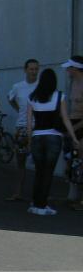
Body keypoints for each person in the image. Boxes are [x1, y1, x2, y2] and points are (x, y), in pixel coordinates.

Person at [26, 68, 80, 215]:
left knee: (39, 171)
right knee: (48, 172)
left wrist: (29, 140)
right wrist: (74, 137)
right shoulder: (59, 96)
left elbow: (29, 122)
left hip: (37, 136)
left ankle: (35, 203)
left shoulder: (32, 97)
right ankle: (42, 205)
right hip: (54, 137)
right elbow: (65, 119)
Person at [6, 58, 40, 201]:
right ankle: (18, 192)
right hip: (22, 128)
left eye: (36, 69)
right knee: (20, 162)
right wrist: (19, 109)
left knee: (39, 162)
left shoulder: (41, 86)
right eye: (31, 69)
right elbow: (10, 98)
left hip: (38, 127)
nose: (34, 72)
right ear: (25, 70)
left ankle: (37, 195)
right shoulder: (18, 87)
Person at [61, 56, 83, 209]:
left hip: (80, 124)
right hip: (72, 123)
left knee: (81, 161)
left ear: (76, 68)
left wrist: (73, 129)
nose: (67, 70)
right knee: (71, 161)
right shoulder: (72, 83)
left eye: (69, 67)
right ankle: (72, 196)